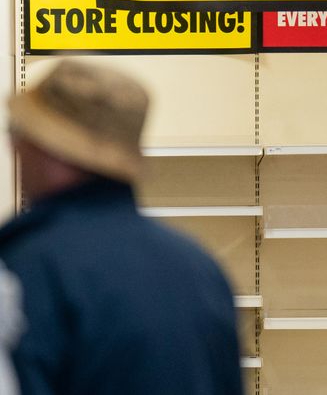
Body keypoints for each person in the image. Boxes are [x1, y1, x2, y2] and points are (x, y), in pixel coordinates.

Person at [0, 59, 243, 395]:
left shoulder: (26, 269)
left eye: (20, 133)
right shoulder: (199, 268)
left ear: (54, 151)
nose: (14, 148)